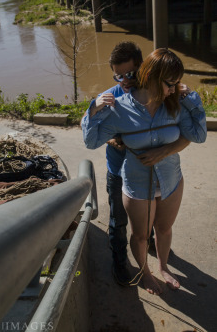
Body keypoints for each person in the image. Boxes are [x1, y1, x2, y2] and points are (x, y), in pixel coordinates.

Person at [82, 48, 207, 294]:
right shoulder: (117, 104)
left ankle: (163, 268)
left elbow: (198, 136)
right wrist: (93, 109)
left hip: (171, 179)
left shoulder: (175, 103)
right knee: (138, 235)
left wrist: (192, 99)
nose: (173, 89)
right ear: (151, 76)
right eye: (170, 83)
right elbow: (91, 140)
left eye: (175, 83)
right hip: (136, 181)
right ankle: (144, 273)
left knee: (164, 229)